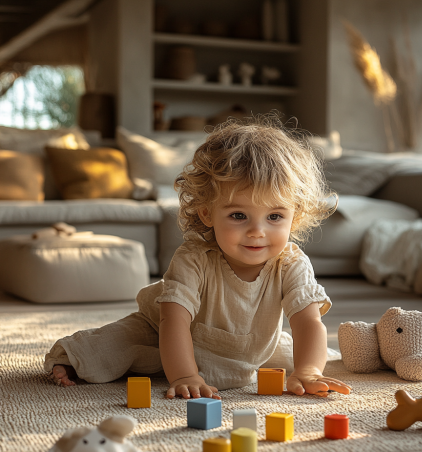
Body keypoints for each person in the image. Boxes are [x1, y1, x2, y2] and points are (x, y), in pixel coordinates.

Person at [45, 114, 351, 399]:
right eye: (239, 215)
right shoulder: (194, 258)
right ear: (207, 212)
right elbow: (173, 321)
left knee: (301, 353)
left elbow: (307, 322)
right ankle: (70, 358)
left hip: (249, 348)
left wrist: (308, 370)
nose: (257, 232)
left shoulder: (291, 263)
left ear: (294, 217)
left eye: (274, 217)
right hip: (164, 332)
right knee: (118, 344)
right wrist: (184, 376)